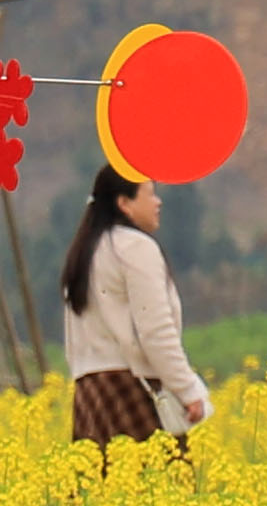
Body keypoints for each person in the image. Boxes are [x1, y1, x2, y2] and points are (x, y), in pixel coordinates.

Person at [58, 162, 210, 462]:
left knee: (101, 488)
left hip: (91, 394)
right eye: (150, 194)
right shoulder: (135, 248)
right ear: (124, 203)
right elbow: (155, 332)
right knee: (159, 486)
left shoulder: (85, 251)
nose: (158, 202)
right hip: (131, 390)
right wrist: (188, 390)